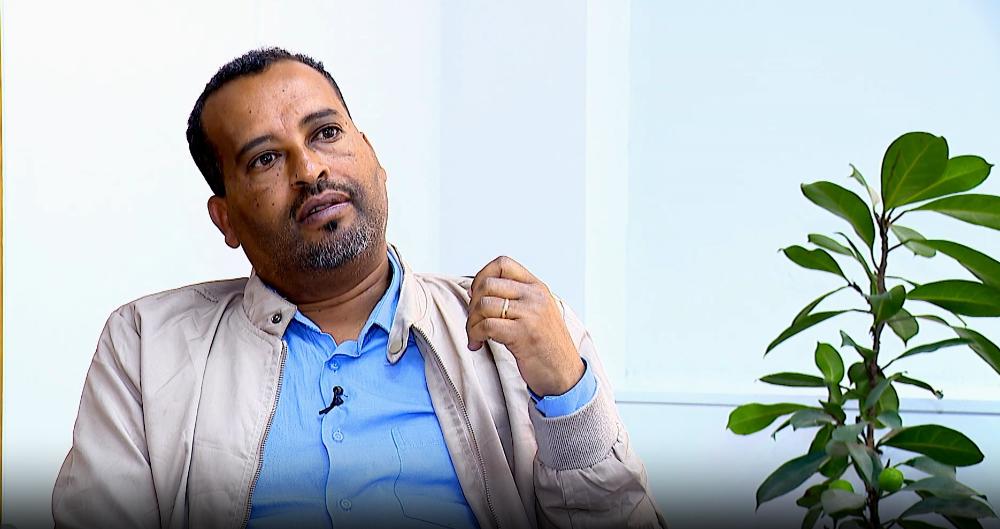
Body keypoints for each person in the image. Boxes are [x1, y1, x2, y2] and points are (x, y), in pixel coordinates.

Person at [51, 47, 666, 529]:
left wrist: (566, 392)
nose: (310, 169)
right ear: (226, 219)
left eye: (325, 133)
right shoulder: (145, 344)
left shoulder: (518, 329)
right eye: (265, 159)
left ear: (372, 156)